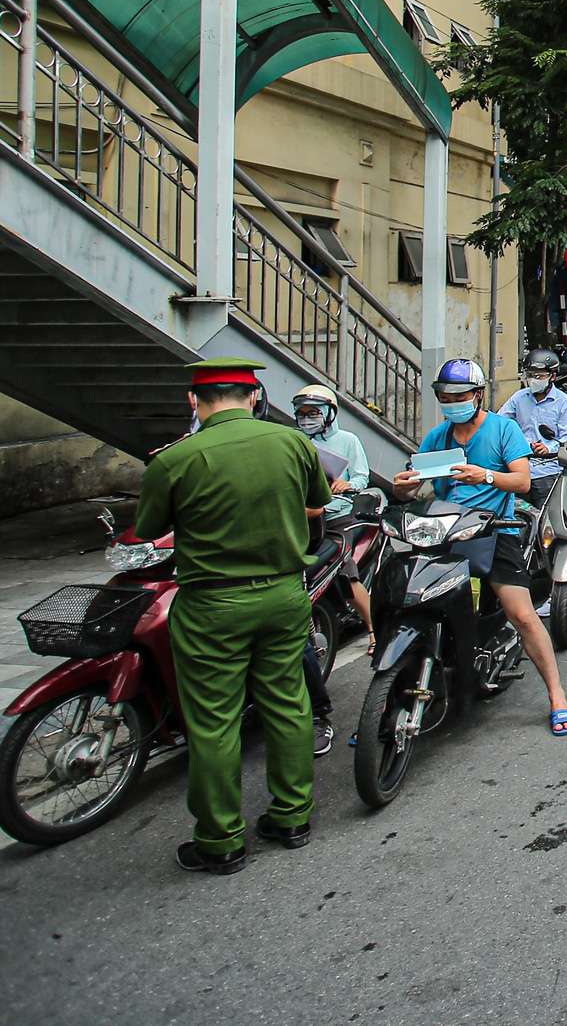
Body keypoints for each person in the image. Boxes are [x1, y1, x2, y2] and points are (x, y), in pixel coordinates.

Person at [140, 358, 327, 874]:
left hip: (212, 605)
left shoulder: (175, 459)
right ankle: (292, 818)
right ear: (253, 397)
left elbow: (150, 527)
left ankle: (221, 842)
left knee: (214, 722)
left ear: (193, 402)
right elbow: (317, 501)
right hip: (285, 594)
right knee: (288, 703)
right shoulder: (293, 444)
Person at [392, 359, 567, 734]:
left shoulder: (503, 429)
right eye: (445, 397)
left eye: (459, 396)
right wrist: (403, 486)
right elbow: (412, 485)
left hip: (495, 532)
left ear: (477, 396)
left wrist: (486, 475)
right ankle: (388, 703)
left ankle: (557, 695)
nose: (451, 402)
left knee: (523, 615)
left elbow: (522, 483)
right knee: (403, 603)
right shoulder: (436, 438)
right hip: (443, 532)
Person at [289, 383, 371, 753]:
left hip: (338, 519)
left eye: (314, 413)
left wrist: (344, 484)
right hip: (301, 521)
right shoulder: (292, 441)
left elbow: (362, 478)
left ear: (330, 414)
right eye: (303, 414)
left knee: (345, 571)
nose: (307, 420)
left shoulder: (349, 441)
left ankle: (374, 628)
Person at [498, 348, 567, 523]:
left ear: (552, 376)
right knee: (514, 520)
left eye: (539, 375)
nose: (533, 379)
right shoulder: (518, 398)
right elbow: (499, 423)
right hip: (519, 470)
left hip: (547, 471)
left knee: (547, 521)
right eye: (530, 374)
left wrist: (548, 447)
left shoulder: (565, 404)